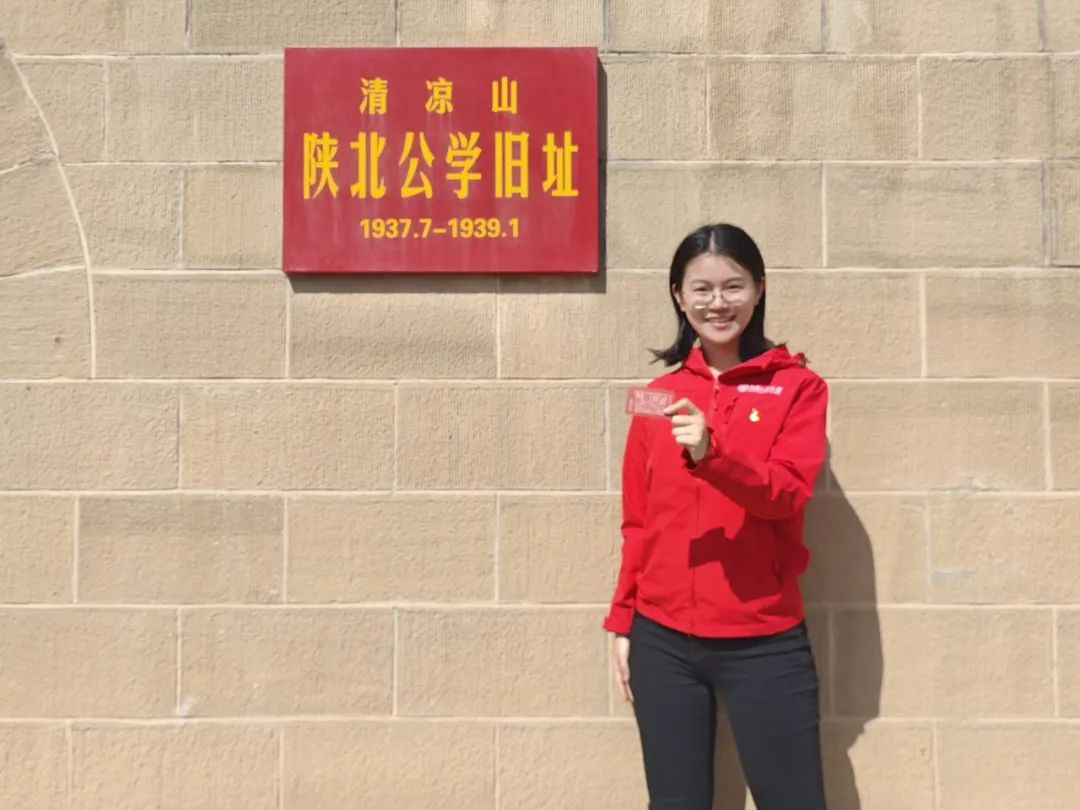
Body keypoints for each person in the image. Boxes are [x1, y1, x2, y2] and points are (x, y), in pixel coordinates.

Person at [604, 223, 829, 810]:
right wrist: (624, 621)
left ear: (759, 289)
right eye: (701, 289)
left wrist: (713, 455)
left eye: (733, 286)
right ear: (678, 296)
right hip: (662, 640)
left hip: (763, 639)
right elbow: (639, 521)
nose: (717, 303)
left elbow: (787, 494)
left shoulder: (798, 388)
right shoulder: (659, 394)